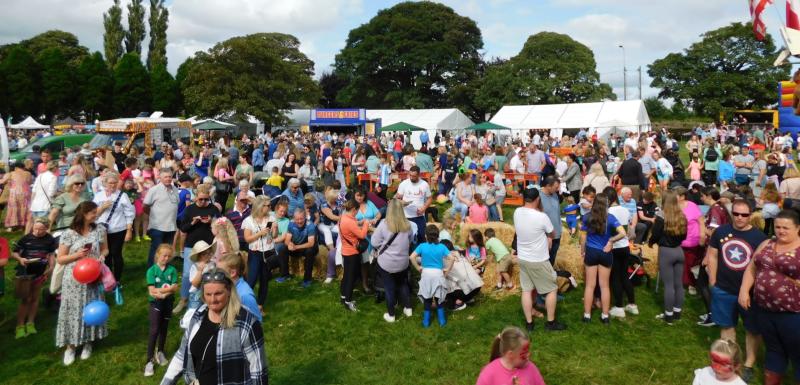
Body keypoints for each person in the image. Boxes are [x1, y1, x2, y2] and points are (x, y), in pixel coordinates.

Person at [160, 268, 268, 385]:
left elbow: (258, 374)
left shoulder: (247, 324)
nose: (212, 300)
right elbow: (182, 354)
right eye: (208, 294)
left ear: (229, 291)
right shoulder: (198, 315)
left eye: (218, 293)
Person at [704, 199, 766, 382]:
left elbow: (761, 267)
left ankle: (748, 363)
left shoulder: (760, 238)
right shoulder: (721, 232)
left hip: (749, 293)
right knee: (727, 326)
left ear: (751, 215)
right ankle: (729, 360)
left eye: (744, 215)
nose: (739, 218)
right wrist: (713, 280)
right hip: (723, 289)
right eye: (736, 214)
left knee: (752, 329)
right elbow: (712, 255)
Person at [739, 208, 800, 385]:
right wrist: (744, 290)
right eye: (778, 226)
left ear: (798, 228)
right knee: (774, 350)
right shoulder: (767, 244)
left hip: (793, 313)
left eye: (786, 228)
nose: (780, 231)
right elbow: (752, 267)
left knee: (798, 352)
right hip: (765, 309)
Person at [55, 201, 109, 366]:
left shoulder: (100, 229)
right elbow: (61, 259)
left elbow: (105, 248)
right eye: (93, 213)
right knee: (73, 309)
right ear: (83, 214)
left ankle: (88, 343)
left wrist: (102, 256)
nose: (96, 215)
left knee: (91, 308)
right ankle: (70, 347)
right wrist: (77, 255)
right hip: (74, 279)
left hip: (93, 275)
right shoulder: (69, 233)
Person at [513, 188, 566, 332]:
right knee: (552, 289)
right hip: (538, 259)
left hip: (523, 257)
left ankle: (529, 323)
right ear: (537, 199)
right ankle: (551, 323)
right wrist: (548, 238)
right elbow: (552, 232)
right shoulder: (541, 217)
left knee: (526, 290)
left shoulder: (517, 212)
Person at [580, 194, 626, 324]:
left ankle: (587, 315)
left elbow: (583, 237)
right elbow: (623, 233)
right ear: (606, 204)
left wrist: (582, 251)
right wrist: (611, 241)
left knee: (590, 285)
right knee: (604, 286)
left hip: (591, 252)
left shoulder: (587, 217)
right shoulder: (610, 218)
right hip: (605, 252)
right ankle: (605, 316)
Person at [175, 185, 220, 313]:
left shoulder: (213, 209)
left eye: (206, 199)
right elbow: (183, 228)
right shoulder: (189, 210)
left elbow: (221, 225)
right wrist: (192, 223)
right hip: (192, 245)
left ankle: (207, 298)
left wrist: (212, 222)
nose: (204, 202)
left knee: (209, 272)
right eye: (201, 199)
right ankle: (184, 299)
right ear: (196, 198)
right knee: (186, 274)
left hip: (209, 245)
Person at [371, 199, 415, 323]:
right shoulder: (408, 225)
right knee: (403, 283)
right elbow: (410, 240)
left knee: (389, 288)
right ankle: (408, 308)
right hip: (403, 262)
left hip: (387, 264)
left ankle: (391, 315)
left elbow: (374, 242)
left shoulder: (384, 225)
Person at [11, 217, 57, 339]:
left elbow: (51, 255)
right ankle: (20, 326)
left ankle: (30, 323)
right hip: (25, 273)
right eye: (35, 228)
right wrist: (20, 259)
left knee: (35, 298)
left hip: (40, 273)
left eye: (41, 229)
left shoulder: (50, 240)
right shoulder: (26, 238)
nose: (37, 231)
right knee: (25, 299)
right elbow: (14, 252)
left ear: (47, 229)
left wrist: (51, 266)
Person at [648, 191, 688, 325]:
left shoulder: (661, 216)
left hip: (666, 252)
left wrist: (651, 242)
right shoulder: (682, 215)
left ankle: (668, 315)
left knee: (669, 286)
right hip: (679, 251)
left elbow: (655, 233)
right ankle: (677, 312)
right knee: (679, 284)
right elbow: (684, 236)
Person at [93, 171, 135, 285]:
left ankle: (117, 279)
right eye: (110, 183)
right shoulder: (98, 196)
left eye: (115, 183)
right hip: (102, 230)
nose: (113, 185)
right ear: (105, 183)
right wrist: (102, 208)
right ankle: (107, 278)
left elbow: (129, 214)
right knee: (105, 255)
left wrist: (129, 230)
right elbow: (92, 214)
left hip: (118, 229)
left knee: (116, 254)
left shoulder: (122, 196)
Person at [144, 244, 179, 377]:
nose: (166, 258)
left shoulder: (172, 270)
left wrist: (164, 292)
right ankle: (149, 360)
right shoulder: (151, 271)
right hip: (156, 303)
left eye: (169, 256)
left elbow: (176, 287)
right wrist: (167, 290)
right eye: (164, 255)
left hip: (168, 302)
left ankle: (160, 352)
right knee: (154, 330)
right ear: (157, 255)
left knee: (164, 328)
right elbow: (152, 290)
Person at [409, 224, 453, 328]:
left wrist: (418, 268)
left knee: (427, 298)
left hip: (426, 274)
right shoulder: (442, 247)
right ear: (438, 236)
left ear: (425, 236)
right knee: (439, 298)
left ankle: (426, 322)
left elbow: (411, 257)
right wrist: (447, 270)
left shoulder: (422, 246)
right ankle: (442, 322)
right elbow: (452, 258)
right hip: (438, 274)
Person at [605, 188, 638, 319]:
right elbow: (630, 229)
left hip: (614, 247)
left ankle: (618, 306)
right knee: (625, 275)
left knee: (615, 277)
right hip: (625, 246)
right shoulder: (625, 210)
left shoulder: (608, 212)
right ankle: (632, 304)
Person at [242, 196, 278, 312]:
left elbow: (274, 236)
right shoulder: (249, 221)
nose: (269, 207)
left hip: (268, 252)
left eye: (269, 205)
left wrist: (275, 229)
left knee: (264, 279)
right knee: (251, 279)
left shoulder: (271, 217)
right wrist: (260, 233)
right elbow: (247, 239)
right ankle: (244, 303)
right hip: (255, 253)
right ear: (260, 206)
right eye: (267, 205)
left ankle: (260, 305)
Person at [475, 326, 546, 385]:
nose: (528, 356)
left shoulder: (530, 368)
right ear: (510, 354)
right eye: (524, 354)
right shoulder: (489, 373)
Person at [339, 199, 371, 312]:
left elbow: (351, 225)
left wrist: (359, 222)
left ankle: (343, 297)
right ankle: (348, 301)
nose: (357, 213)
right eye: (357, 211)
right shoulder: (350, 222)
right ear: (353, 209)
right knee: (351, 278)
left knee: (346, 275)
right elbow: (362, 235)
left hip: (345, 251)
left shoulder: (343, 218)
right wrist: (366, 224)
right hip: (352, 252)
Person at [144, 169, 179, 267]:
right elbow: (145, 206)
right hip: (157, 226)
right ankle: (152, 271)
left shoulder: (175, 189)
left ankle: (165, 270)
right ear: (160, 177)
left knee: (167, 250)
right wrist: (152, 215)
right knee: (157, 250)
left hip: (171, 226)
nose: (168, 179)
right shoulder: (154, 190)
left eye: (170, 177)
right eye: (166, 177)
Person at [216, 251, 262, 322]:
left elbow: (257, 321)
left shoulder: (244, 295)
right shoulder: (228, 288)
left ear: (232, 273)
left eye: (220, 272)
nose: (216, 275)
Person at [395, 166, 433, 244]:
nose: (411, 178)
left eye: (414, 176)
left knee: (422, 237)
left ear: (419, 175)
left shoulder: (424, 184)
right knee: (406, 240)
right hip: (406, 216)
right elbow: (398, 197)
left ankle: (420, 254)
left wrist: (424, 208)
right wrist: (400, 201)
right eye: (410, 175)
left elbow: (430, 198)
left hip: (419, 216)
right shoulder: (404, 184)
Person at [29, 161, 59, 233]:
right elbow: (51, 193)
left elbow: (34, 190)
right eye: (57, 167)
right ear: (55, 168)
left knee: (36, 229)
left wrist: (31, 204)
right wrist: (59, 193)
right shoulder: (53, 177)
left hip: (35, 206)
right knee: (43, 229)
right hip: (45, 205)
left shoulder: (40, 175)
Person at [2, 162, 33, 231]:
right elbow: (30, 182)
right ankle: (23, 225)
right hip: (26, 193)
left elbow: (2, 182)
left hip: (15, 193)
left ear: (15, 168)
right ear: (23, 167)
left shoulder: (11, 173)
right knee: (25, 209)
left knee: (14, 209)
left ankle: (13, 225)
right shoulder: (28, 173)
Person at [539, 176, 563, 265]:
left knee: (552, 259)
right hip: (545, 235)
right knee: (544, 260)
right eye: (556, 187)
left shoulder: (555, 195)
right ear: (548, 186)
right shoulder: (539, 197)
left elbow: (556, 213)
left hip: (556, 234)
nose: (558, 190)